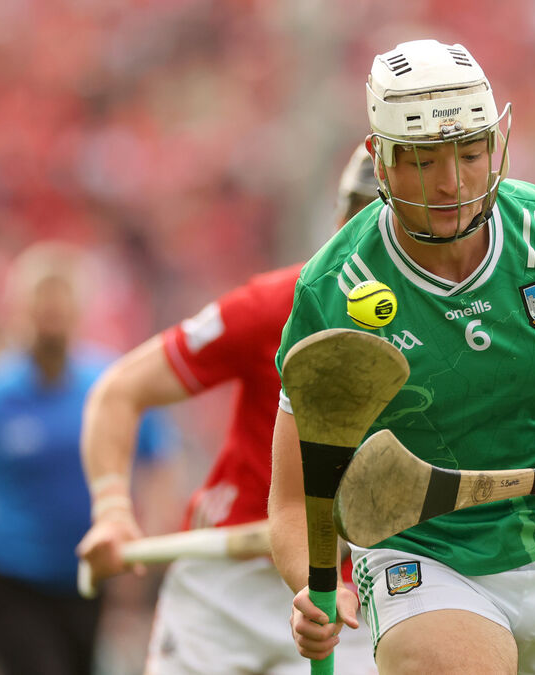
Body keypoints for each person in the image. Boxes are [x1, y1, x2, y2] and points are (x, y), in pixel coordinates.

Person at [271, 39, 535, 675]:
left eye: (470, 154)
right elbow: (291, 498)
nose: (451, 183)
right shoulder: (333, 290)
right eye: (423, 161)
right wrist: (313, 584)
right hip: (421, 552)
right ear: (380, 160)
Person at [75, 146, 382, 675]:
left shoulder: (462, 326)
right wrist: (112, 510)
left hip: (356, 592)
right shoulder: (276, 304)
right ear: (337, 224)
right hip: (226, 584)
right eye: (359, 220)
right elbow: (121, 390)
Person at [0, 241, 175, 675]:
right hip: (14, 579)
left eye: (59, 305)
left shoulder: (108, 389)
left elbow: (157, 460)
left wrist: (146, 550)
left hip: (91, 578)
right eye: (41, 305)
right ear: (19, 310)